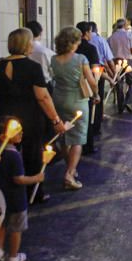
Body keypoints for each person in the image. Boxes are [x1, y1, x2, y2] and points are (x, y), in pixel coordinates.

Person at [0, 28, 65, 204]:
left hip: (4, 117)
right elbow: (43, 96)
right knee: (32, 155)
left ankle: (4, 191)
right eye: (31, 41)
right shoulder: (32, 67)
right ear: (26, 44)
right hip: (29, 117)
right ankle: (34, 192)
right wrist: (55, 119)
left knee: (5, 155)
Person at [0, 116, 43, 261]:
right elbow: (19, 179)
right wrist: (36, 178)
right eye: (17, 131)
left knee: (1, 223)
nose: (21, 133)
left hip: (0, 196)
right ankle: (13, 257)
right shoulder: (14, 156)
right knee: (16, 229)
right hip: (16, 199)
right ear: (3, 137)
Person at [50, 27, 98, 190]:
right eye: (77, 40)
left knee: (64, 135)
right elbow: (91, 80)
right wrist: (96, 94)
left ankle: (70, 166)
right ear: (73, 42)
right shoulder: (80, 59)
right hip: (77, 100)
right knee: (77, 138)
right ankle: (70, 174)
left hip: (58, 100)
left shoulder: (54, 59)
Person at [76, 22, 102, 155]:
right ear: (86, 32)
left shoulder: (71, 50)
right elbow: (94, 69)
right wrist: (96, 91)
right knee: (88, 117)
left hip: (69, 89)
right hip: (86, 86)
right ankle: (87, 146)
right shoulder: (90, 48)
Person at [88, 22, 114, 138]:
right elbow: (108, 58)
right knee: (97, 98)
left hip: (84, 75)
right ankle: (96, 125)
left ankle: (89, 123)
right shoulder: (100, 40)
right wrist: (112, 74)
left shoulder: (79, 43)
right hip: (98, 71)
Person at [108, 19, 132, 113]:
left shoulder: (111, 37)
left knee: (119, 83)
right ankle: (128, 101)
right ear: (124, 25)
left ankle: (120, 106)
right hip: (128, 59)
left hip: (116, 60)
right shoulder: (129, 35)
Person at [25, 21, 55, 90]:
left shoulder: (21, 50)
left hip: (25, 86)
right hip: (44, 85)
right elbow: (54, 71)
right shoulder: (47, 52)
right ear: (41, 33)